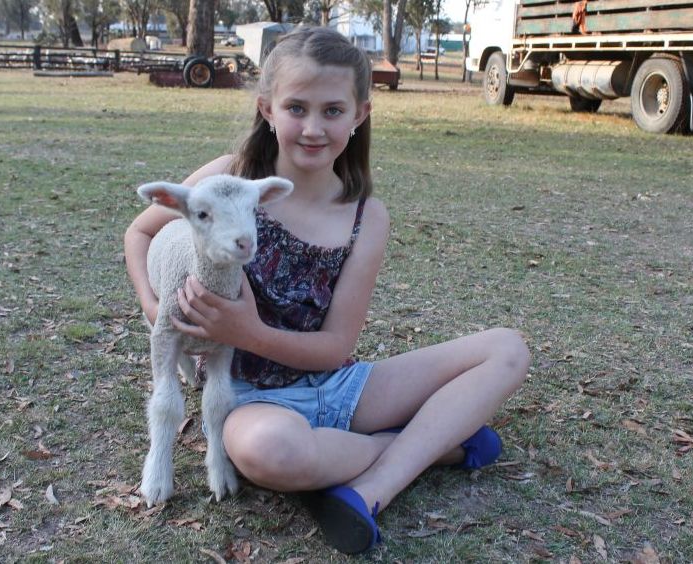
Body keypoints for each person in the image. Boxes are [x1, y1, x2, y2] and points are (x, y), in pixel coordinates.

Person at [124, 26, 530, 554]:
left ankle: (371, 490)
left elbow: (336, 348)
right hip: (248, 399)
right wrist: (154, 306)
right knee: (269, 453)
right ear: (268, 108)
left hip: (337, 387)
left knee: (506, 349)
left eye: (333, 111)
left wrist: (248, 330)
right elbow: (139, 232)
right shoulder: (229, 180)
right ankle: (432, 445)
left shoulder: (366, 215)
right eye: (297, 108)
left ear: (360, 113)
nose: (313, 128)